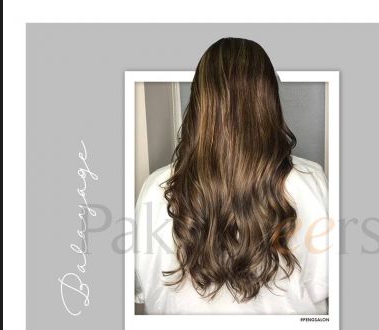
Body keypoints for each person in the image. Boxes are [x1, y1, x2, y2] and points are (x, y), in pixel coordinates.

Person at [135, 37, 329, 315]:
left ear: (201, 100)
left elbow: (146, 288)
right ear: (268, 99)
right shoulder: (308, 181)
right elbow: (323, 284)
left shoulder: (156, 187)